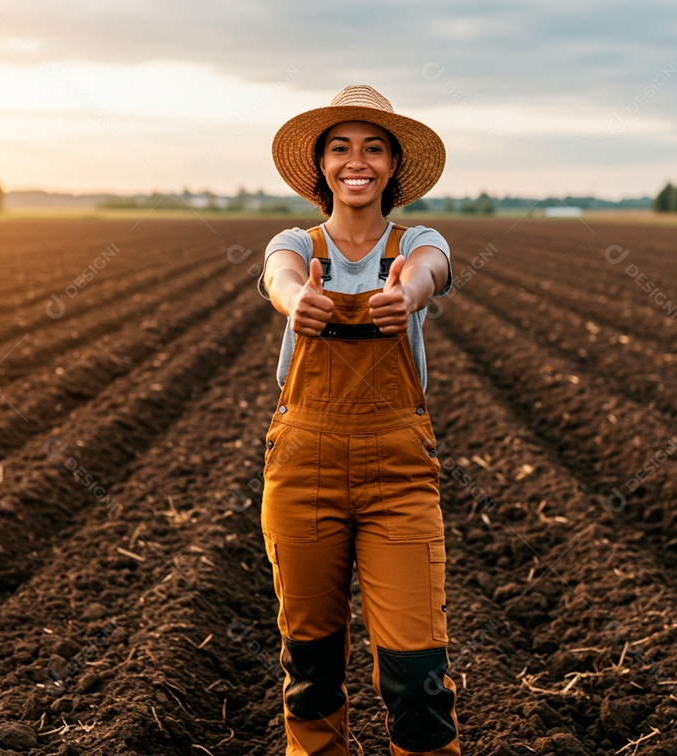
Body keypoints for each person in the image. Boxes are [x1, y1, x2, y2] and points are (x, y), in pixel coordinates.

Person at [257, 85, 461, 755]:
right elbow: (279, 275)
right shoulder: (296, 242)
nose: (357, 161)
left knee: (418, 678)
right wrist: (295, 302)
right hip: (303, 465)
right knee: (310, 673)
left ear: (392, 167)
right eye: (340, 147)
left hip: (398, 469)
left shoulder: (417, 243)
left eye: (374, 148)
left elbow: (432, 269)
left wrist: (407, 292)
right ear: (320, 166)